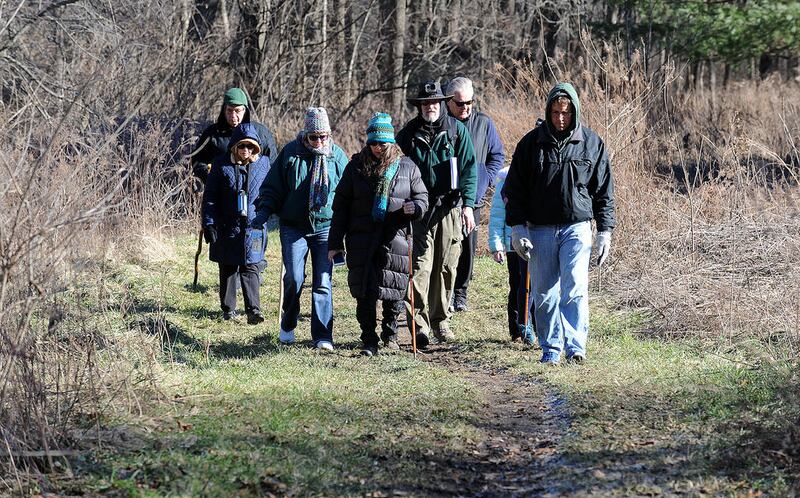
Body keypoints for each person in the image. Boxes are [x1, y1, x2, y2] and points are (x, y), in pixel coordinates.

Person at [504, 82, 615, 365]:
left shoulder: (591, 143)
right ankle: (551, 348)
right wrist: (517, 228)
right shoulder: (531, 144)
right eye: (555, 113)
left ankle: (575, 347)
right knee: (544, 293)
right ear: (548, 111)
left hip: (577, 228)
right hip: (540, 229)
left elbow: (604, 191)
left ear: (575, 111)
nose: (560, 118)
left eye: (566, 113)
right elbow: (514, 190)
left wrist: (605, 231)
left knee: (574, 288)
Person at [328, 113, 428, 356]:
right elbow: (340, 207)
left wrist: (415, 208)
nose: (377, 148)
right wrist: (335, 242)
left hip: (395, 237)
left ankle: (390, 335)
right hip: (361, 238)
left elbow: (422, 198)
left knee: (394, 289)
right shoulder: (355, 167)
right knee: (364, 291)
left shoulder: (407, 167)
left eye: (382, 143)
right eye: (372, 143)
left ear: (391, 142)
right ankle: (368, 339)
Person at [255, 107, 348, 351]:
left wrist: (349, 224)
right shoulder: (290, 153)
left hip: (325, 227)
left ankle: (323, 335)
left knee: (323, 282)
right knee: (294, 278)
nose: (319, 142)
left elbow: (348, 194)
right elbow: (272, 187)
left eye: (323, 136)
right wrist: (263, 211)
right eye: (313, 137)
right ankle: (288, 323)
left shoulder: (337, 157)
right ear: (305, 135)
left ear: (329, 135)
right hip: (293, 226)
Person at [396, 80, 477, 347]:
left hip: (449, 209)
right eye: (425, 103)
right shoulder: (407, 135)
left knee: (446, 267)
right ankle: (419, 325)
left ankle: (441, 321)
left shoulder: (456, 131)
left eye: (434, 102)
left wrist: (468, 206)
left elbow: (469, 169)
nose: (430, 107)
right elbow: (395, 172)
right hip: (419, 211)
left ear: (442, 104)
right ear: (419, 106)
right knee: (420, 266)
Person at [445, 76, 505, 312]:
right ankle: (445, 293)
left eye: (469, 102)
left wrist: (486, 179)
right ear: (449, 102)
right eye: (460, 103)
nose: (465, 107)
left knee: (468, 248)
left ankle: (461, 293)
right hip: (446, 198)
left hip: (474, 199)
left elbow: (497, 155)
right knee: (447, 248)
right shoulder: (441, 123)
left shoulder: (483, 123)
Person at [201, 123, 271, 323]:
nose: (245, 150)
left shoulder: (264, 164)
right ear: (234, 146)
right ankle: (228, 309)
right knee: (228, 267)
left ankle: (253, 311)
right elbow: (210, 197)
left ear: (255, 147)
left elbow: (272, 190)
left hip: (254, 226)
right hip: (226, 226)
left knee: (252, 266)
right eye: (242, 146)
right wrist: (209, 223)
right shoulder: (221, 165)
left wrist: (271, 209)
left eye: (250, 146)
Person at [190, 87, 278, 185]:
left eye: (237, 111)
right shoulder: (212, 134)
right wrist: (208, 174)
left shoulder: (261, 133)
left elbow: (274, 166)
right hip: (221, 191)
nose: (233, 116)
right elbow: (197, 161)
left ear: (245, 110)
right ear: (224, 110)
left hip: (256, 192)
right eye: (229, 110)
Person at [487, 166, 535, 345]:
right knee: (517, 283)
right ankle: (516, 329)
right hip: (512, 244)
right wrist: (497, 246)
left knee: (534, 286)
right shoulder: (504, 183)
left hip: (534, 242)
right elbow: (497, 217)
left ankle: (533, 325)